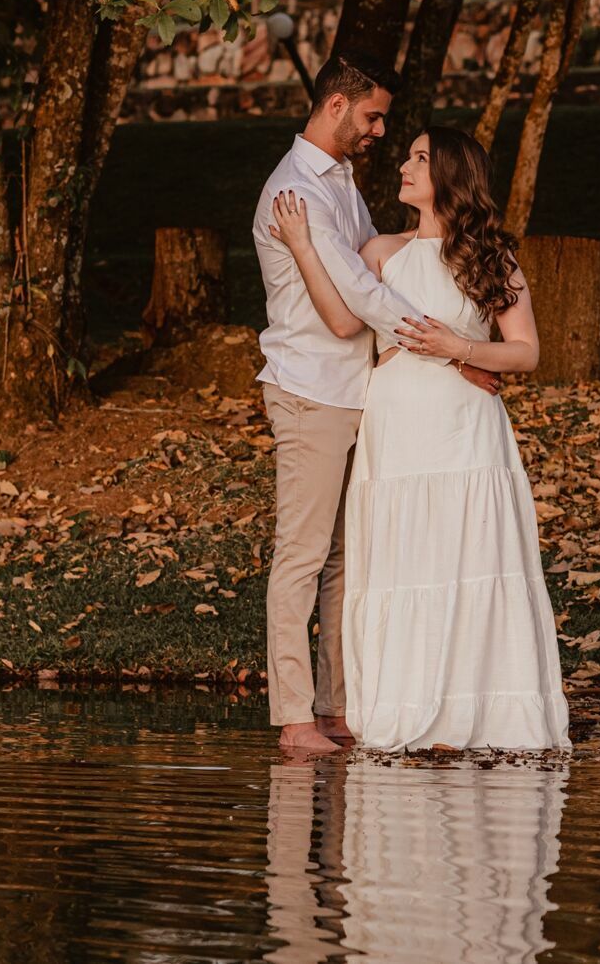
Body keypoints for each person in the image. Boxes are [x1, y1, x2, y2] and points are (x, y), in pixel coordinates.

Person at [266, 124, 571, 752]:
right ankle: (400, 705)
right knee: (398, 560)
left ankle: (478, 706)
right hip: (397, 421)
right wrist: (301, 245)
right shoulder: (381, 251)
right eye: (408, 154)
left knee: (467, 557)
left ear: (450, 177)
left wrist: (461, 349)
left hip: (464, 428)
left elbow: (527, 352)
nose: (404, 164)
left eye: (420, 158)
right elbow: (344, 319)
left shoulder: (491, 258)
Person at [251, 57, 498, 755]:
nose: (380, 130)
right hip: (310, 391)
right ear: (335, 106)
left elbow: (361, 284)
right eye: (372, 116)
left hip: (357, 391)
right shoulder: (294, 190)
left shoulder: (342, 184)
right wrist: (449, 348)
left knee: (342, 562)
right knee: (301, 556)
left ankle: (335, 707)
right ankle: (295, 717)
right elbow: (356, 297)